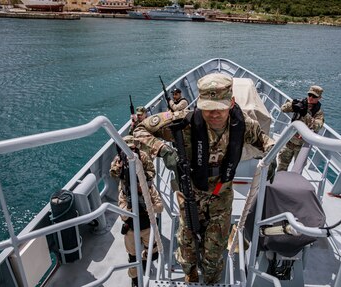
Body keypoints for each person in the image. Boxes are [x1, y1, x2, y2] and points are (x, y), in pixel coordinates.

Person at [133, 73, 275, 284]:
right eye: (208, 108)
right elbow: (139, 130)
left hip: (221, 195)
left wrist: (272, 157)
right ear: (199, 104)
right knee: (187, 245)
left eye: (220, 107)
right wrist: (164, 151)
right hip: (190, 192)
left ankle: (210, 280)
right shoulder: (184, 122)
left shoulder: (243, 124)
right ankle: (190, 274)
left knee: (214, 252)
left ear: (232, 102)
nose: (214, 114)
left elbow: (264, 140)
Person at [110, 135, 163, 287]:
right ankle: (135, 279)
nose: (131, 151)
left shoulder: (143, 156)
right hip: (128, 195)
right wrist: (119, 168)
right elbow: (113, 174)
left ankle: (146, 261)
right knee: (132, 257)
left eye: (133, 148)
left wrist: (143, 182)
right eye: (128, 148)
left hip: (146, 209)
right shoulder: (119, 159)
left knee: (152, 253)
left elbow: (151, 171)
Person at [277, 85, 325, 172]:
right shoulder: (301, 103)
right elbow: (283, 109)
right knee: (282, 166)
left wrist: (305, 114)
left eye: (314, 96)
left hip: (302, 145)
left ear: (319, 98)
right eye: (310, 95)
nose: (311, 97)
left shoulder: (318, 113)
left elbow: (318, 126)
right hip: (290, 140)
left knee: (297, 170)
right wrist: (292, 105)